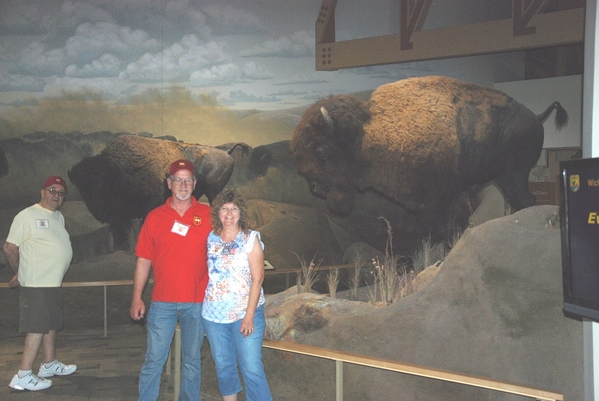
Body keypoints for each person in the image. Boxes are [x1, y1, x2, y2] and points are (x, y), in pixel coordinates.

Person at [130, 159, 212, 401]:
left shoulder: (208, 215)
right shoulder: (155, 217)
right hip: (162, 303)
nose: (183, 184)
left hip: (197, 303)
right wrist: (137, 298)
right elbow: (143, 260)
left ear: (195, 184)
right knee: (154, 359)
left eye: (188, 179)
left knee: (192, 361)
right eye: (178, 179)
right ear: (169, 183)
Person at [4, 176, 76, 391]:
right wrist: (20, 271)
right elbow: (10, 247)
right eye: (52, 190)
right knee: (36, 326)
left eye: (61, 192)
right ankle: (23, 375)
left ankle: (49, 364)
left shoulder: (58, 217)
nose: (56, 195)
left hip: (52, 283)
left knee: (50, 324)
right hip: (36, 284)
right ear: (42, 192)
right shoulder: (27, 215)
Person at [202, 189, 272, 401]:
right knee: (224, 366)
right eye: (224, 208)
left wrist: (249, 315)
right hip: (213, 316)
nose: (229, 213)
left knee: (251, 367)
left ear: (241, 212)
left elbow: (258, 279)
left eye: (234, 209)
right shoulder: (211, 238)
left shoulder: (251, 239)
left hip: (245, 314)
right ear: (217, 213)